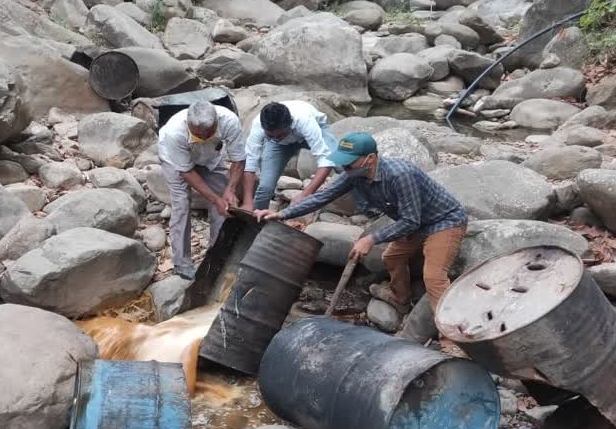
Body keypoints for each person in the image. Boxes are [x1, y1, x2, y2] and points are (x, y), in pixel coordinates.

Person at [255, 132, 468, 320]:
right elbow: (323, 197)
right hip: (416, 223)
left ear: (370, 159)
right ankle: (401, 300)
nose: (344, 167)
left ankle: (452, 335)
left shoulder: (401, 175)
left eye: (349, 162)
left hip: (444, 221)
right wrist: (282, 214)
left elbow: (410, 220)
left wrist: (370, 239)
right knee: (391, 257)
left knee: (433, 276)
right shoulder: (354, 175)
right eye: (343, 162)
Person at [157, 101, 245, 281]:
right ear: (189, 126)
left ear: (216, 124)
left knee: (226, 203)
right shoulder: (174, 132)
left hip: (209, 158)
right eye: (198, 136)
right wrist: (214, 199)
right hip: (176, 162)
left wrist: (230, 189)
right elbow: (187, 172)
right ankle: (182, 265)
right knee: (181, 205)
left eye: (209, 134)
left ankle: (216, 256)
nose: (203, 137)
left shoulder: (228, 120)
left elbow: (238, 158)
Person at [242, 101, 339, 210]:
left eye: (280, 135)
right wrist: (247, 201)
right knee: (265, 187)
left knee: (341, 162)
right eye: (270, 135)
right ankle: (256, 222)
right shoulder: (259, 126)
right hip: (278, 146)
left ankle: (359, 202)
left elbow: (325, 160)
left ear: (290, 123)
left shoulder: (304, 120)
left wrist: (305, 194)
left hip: (315, 129)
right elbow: (250, 165)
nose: (276, 137)